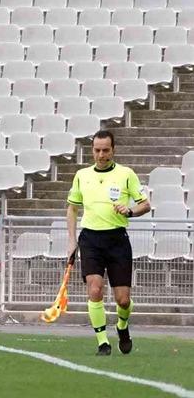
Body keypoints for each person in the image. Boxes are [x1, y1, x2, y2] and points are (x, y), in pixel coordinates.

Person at [66, 130, 151, 355]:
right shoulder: (82, 175)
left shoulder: (126, 174)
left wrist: (130, 211)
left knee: (123, 300)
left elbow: (145, 204)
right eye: (97, 150)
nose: (101, 155)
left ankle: (122, 326)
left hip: (117, 240)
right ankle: (103, 342)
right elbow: (73, 208)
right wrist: (72, 241)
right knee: (95, 289)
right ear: (92, 150)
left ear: (113, 150)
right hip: (91, 239)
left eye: (106, 150)